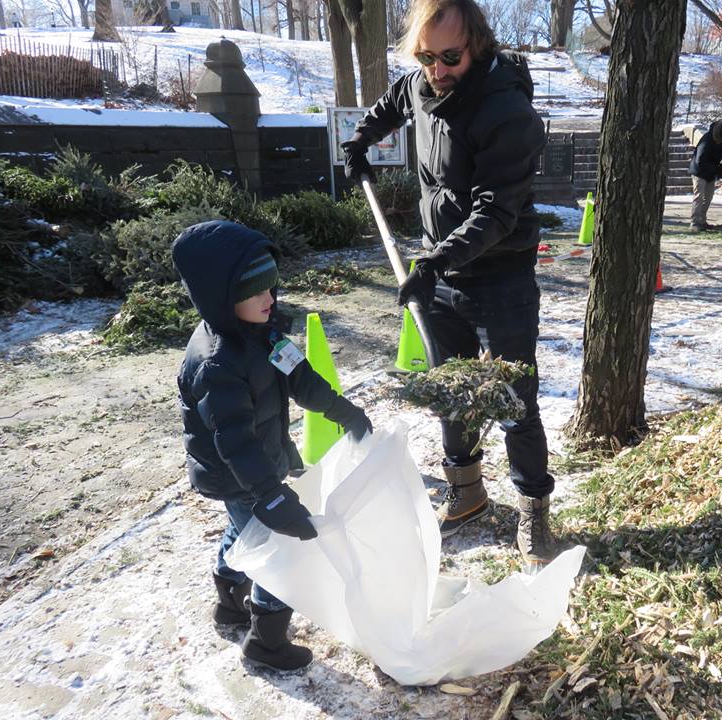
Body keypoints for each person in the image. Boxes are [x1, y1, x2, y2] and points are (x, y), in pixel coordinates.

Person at [340, 0, 554, 568]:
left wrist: (434, 261)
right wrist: (361, 141)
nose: (437, 70)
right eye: (426, 56)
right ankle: (468, 491)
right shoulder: (422, 83)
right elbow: (393, 102)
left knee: (513, 397)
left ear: (477, 45)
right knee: (450, 391)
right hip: (442, 271)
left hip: (502, 273)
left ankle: (533, 507)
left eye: (450, 57)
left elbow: (496, 212)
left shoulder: (507, 112)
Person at [171, 220, 373, 670]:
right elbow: (234, 441)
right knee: (277, 552)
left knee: (244, 533)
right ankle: (266, 642)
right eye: (255, 292)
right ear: (222, 298)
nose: (270, 299)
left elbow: (302, 379)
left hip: (260, 462)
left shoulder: (263, 333)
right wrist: (270, 496)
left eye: (272, 288)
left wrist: (346, 413)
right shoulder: (217, 363)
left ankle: (228, 601)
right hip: (239, 472)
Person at [689, 119, 722, 232]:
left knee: (708, 197)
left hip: (712, 171)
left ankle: (702, 221)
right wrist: (717, 169)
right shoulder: (707, 139)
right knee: (699, 196)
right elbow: (700, 160)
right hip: (699, 171)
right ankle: (695, 222)